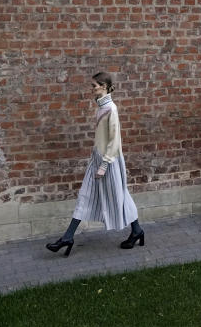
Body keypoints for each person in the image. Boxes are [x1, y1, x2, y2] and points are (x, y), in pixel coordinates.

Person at [46, 72, 144, 255]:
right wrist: (96, 160)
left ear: (104, 87)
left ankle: (137, 230)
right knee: (86, 195)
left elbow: (115, 141)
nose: (92, 89)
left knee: (120, 197)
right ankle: (68, 237)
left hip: (109, 161)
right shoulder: (101, 107)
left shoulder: (111, 109)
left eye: (94, 86)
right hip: (97, 158)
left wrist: (104, 164)